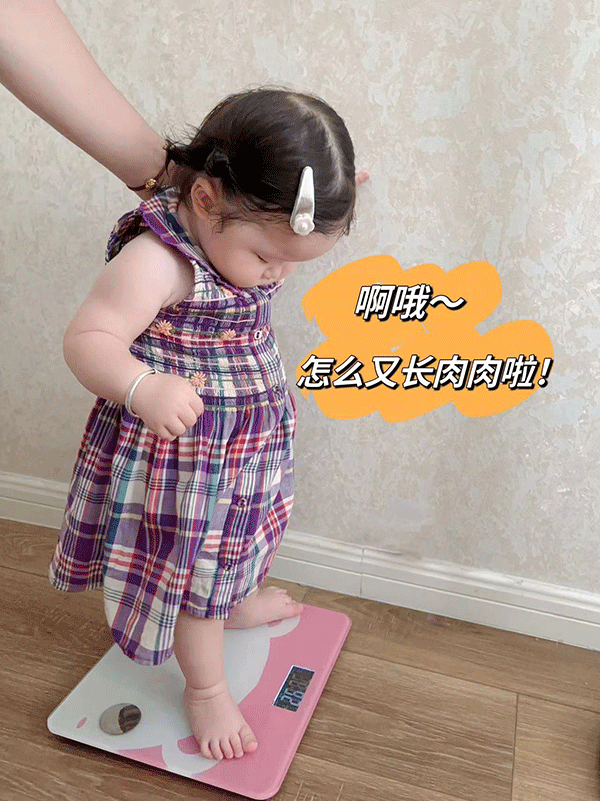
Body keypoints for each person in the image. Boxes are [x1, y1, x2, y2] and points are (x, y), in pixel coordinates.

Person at [1, 0, 367, 765]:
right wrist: (142, 387)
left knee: (245, 542)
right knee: (198, 569)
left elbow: (277, 242)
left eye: (294, 262)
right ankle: (205, 684)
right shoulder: (160, 261)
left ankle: (236, 602)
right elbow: (88, 339)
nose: (277, 275)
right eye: (267, 257)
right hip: (185, 463)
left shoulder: (243, 228)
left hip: (243, 449)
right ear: (206, 201)